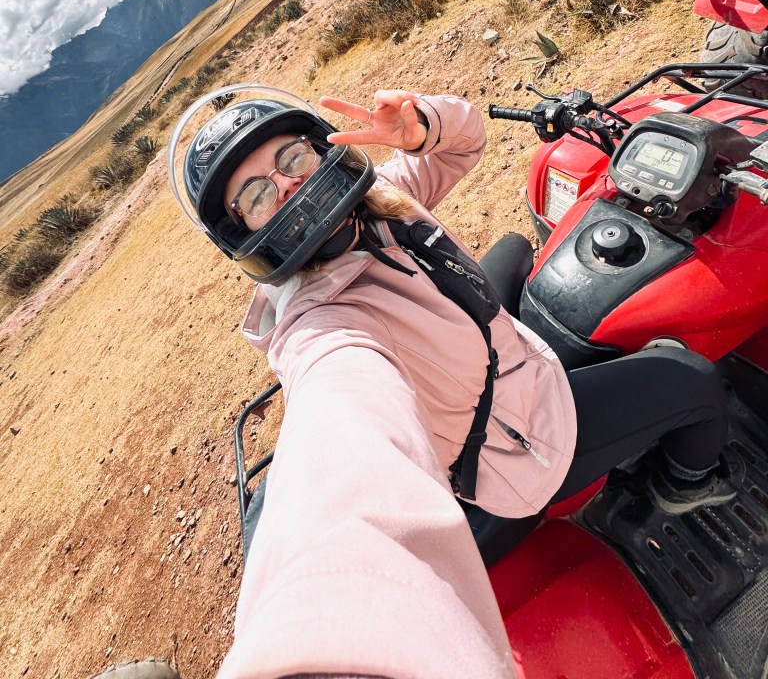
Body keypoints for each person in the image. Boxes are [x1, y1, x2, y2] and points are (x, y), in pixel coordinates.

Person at [168, 84, 741, 679]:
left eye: (290, 159)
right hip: (515, 448)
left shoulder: (376, 205)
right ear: (243, 234)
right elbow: (341, 418)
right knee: (693, 383)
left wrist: (421, 129)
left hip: (496, 360)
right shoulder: (322, 324)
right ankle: (687, 484)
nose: (287, 186)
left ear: (320, 148)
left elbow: (464, 142)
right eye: (257, 194)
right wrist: (309, 637)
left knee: (518, 247)